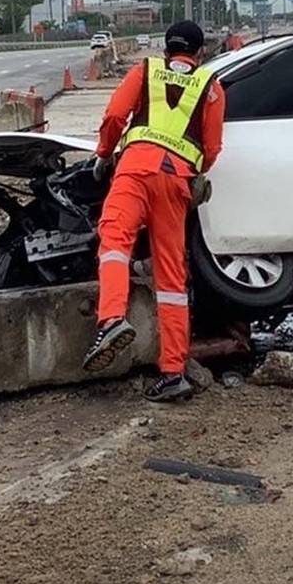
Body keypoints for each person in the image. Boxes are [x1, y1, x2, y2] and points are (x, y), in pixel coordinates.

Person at [83, 20, 227, 402]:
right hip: (176, 179)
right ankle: (172, 374)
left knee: (115, 241)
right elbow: (212, 148)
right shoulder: (210, 87)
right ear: (199, 54)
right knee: (171, 277)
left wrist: (102, 154)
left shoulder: (146, 70)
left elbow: (115, 116)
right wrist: (193, 171)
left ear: (166, 50)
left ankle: (112, 318)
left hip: (134, 169)